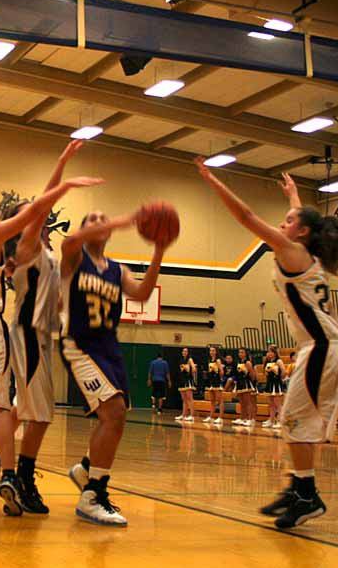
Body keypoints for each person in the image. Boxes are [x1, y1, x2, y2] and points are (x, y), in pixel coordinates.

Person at [0, 170, 101, 516]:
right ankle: (13, 474)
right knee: (12, 409)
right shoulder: (9, 241)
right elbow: (35, 210)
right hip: (4, 330)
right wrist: (63, 180)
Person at [195, 163, 338, 529]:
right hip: (322, 348)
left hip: (323, 348)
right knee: (296, 422)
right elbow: (300, 222)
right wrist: (294, 196)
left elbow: (247, 216)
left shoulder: (291, 251)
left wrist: (213, 181)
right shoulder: (304, 253)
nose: (281, 225)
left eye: (287, 220)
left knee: (293, 421)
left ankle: (306, 494)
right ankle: (299, 487)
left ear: (302, 232)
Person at [0, 140, 83, 513]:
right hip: (26, 333)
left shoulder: (48, 252)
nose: (39, 214)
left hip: (39, 332)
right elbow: (42, 207)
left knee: (29, 407)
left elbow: (60, 299)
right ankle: (22, 476)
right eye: (31, 213)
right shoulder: (27, 247)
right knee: (42, 413)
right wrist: (63, 162)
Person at [61, 206, 177, 527]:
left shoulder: (117, 269)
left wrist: (158, 251)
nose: (101, 222)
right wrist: (121, 217)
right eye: (93, 218)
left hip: (109, 346)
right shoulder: (74, 258)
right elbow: (69, 242)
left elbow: (141, 293)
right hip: (79, 344)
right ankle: (92, 495)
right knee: (113, 412)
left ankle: (87, 469)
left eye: (104, 218)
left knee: (118, 414)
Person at [262, 347, 286, 428]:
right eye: (268, 352)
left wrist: (279, 378)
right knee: (271, 403)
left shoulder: (278, 361)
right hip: (269, 383)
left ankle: (281, 421)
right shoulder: (268, 361)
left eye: (270, 352)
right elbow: (265, 373)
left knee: (278, 403)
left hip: (276, 384)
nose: (269, 353)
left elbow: (284, 371)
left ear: (275, 353)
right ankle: (271, 420)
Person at [232, 348, 257, 428]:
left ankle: (250, 419)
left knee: (248, 402)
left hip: (246, 383)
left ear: (246, 354)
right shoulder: (238, 362)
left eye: (242, 352)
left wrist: (247, 373)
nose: (240, 354)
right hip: (240, 383)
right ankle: (242, 418)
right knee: (242, 402)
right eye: (239, 352)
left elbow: (253, 375)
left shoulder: (248, 362)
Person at [202, 346, 224, 424]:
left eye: (213, 350)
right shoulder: (209, 360)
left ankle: (220, 417)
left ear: (216, 351)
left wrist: (220, 379)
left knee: (220, 400)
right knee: (212, 400)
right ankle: (211, 416)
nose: (211, 352)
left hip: (217, 381)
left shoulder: (218, 360)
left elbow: (221, 371)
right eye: (210, 350)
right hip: (211, 381)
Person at [175, 347, 197, 423]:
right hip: (182, 380)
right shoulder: (181, 360)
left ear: (188, 352)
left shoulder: (190, 359)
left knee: (190, 399)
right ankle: (184, 414)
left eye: (186, 351)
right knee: (184, 399)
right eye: (183, 351)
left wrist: (193, 369)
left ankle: (192, 416)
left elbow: (194, 368)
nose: (184, 352)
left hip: (188, 381)